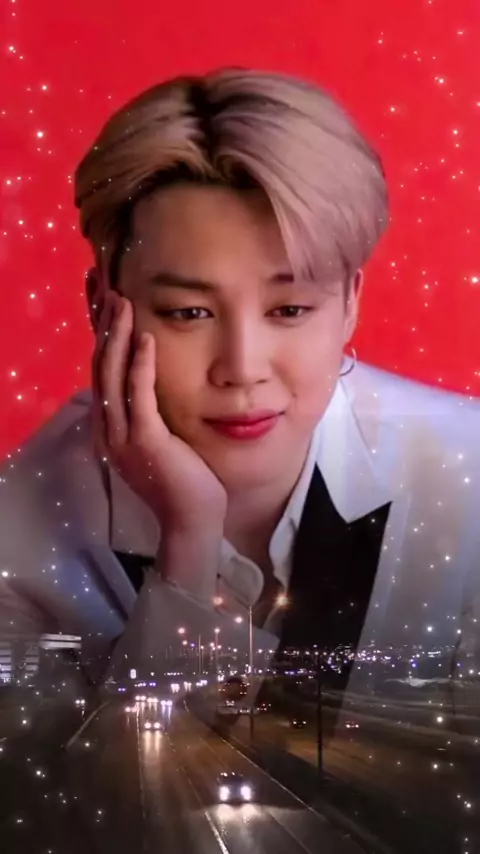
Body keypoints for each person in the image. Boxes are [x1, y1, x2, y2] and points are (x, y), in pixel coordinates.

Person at [0, 66, 479, 699]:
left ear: (350, 303)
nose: (243, 367)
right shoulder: (17, 536)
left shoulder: (467, 481)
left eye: (290, 309)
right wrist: (188, 548)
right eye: (188, 313)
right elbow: (102, 769)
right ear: (103, 308)